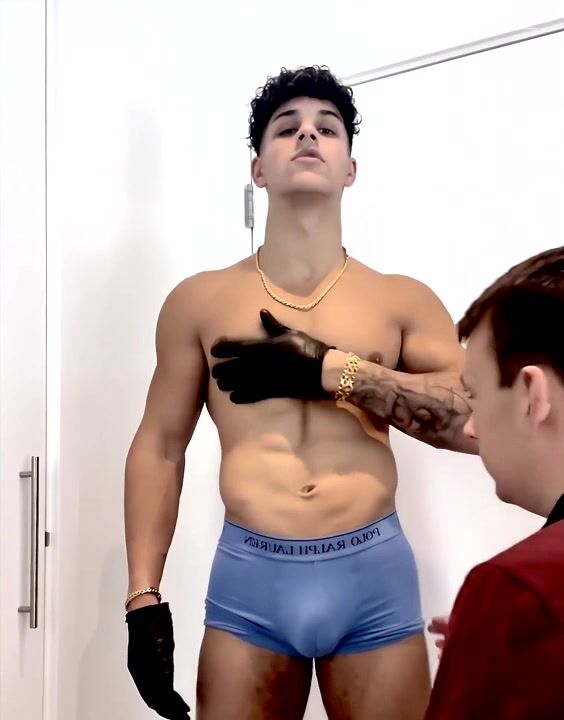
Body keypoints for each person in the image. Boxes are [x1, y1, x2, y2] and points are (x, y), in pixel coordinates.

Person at [124, 65, 477, 720]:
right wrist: (142, 597)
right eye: (287, 128)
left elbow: (475, 422)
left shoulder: (401, 300)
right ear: (258, 169)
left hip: (371, 573)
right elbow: (160, 446)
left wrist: (336, 371)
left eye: (327, 128)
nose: (308, 135)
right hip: (250, 580)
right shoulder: (198, 301)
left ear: (350, 168)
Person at [423, 246, 564, 719]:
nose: (470, 428)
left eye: (476, 396)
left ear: (531, 395)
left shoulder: (518, 588)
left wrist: (506, 622)